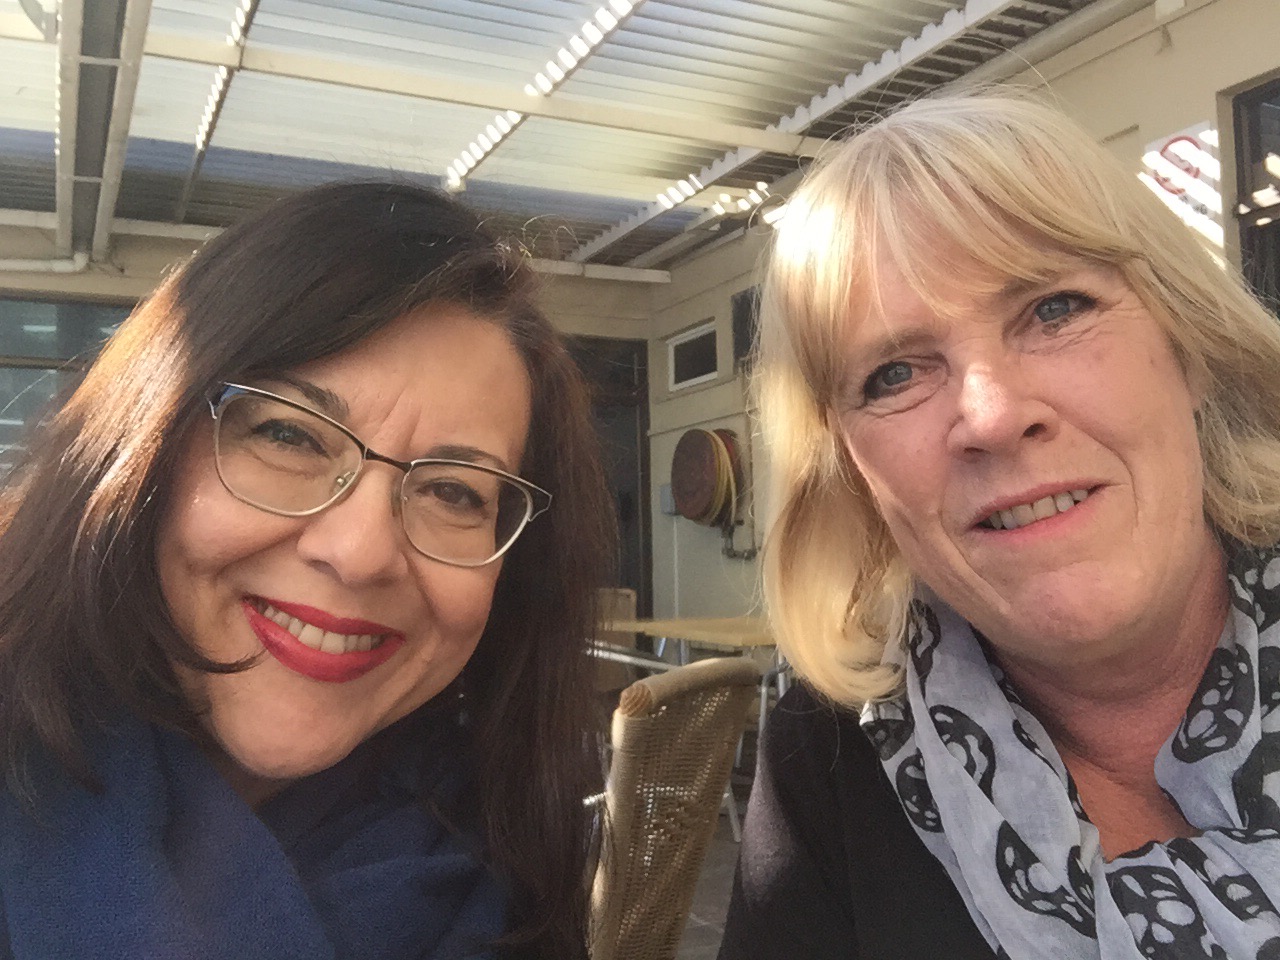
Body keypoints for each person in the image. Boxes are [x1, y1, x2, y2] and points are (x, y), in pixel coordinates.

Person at [719, 92, 1280, 959]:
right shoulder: (827, 763)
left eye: (1055, 309)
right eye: (895, 373)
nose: (991, 415)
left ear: (1188, 347)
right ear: (855, 474)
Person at [0, 181, 614, 960]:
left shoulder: (509, 852)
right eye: (290, 436)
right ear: (145, 440)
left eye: (454, 491)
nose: (360, 553)